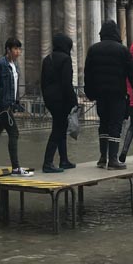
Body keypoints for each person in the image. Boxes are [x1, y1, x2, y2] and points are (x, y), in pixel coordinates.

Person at [84, 20, 133, 170]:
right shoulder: (122, 50)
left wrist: (89, 92)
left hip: (101, 94)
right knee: (115, 124)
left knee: (103, 123)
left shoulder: (93, 50)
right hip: (117, 93)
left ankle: (103, 157)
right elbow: (132, 73)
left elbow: (88, 73)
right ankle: (113, 159)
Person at [0, 38, 33, 176]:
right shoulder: (0, 64)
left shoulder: (15, 65)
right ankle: (16, 168)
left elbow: (14, 85)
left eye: (19, 49)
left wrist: (16, 102)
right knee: (14, 133)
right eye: (15, 49)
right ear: (8, 49)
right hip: (3, 106)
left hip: (9, 104)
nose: (18, 52)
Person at [41, 33, 78, 173]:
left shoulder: (47, 59)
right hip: (62, 100)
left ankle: (64, 160)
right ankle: (47, 162)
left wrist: (46, 98)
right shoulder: (65, 59)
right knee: (57, 130)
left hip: (50, 100)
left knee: (61, 129)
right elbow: (66, 83)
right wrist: (73, 101)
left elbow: (43, 82)